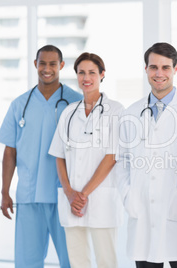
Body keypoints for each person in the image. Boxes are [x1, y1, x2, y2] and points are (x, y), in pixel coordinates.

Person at [117, 42, 177, 268]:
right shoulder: (131, 113)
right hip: (142, 212)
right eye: (153, 67)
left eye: (165, 67)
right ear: (145, 69)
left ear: (175, 69)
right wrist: (129, 197)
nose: (159, 73)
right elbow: (122, 162)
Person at [0, 45, 82, 267]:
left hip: (64, 195)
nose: (47, 68)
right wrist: (5, 192)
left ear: (61, 66)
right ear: (35, 64)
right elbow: (10, 151)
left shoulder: (75, 102)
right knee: (27, 262)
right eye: (42, 63)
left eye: (52, 64)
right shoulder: (20, 104)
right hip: (29, 196)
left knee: (72, 260)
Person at [48, 52, 124, 268]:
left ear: (102, 74)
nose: (86, 77)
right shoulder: (69, 113)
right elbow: (59, 156)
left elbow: (112, 157)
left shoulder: (116, 111)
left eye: (92, 72)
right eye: (81, 72)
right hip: (71, 201)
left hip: (101, 200)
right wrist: (70, 193)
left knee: (106, 261)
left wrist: (82, 195)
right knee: (78, 261)